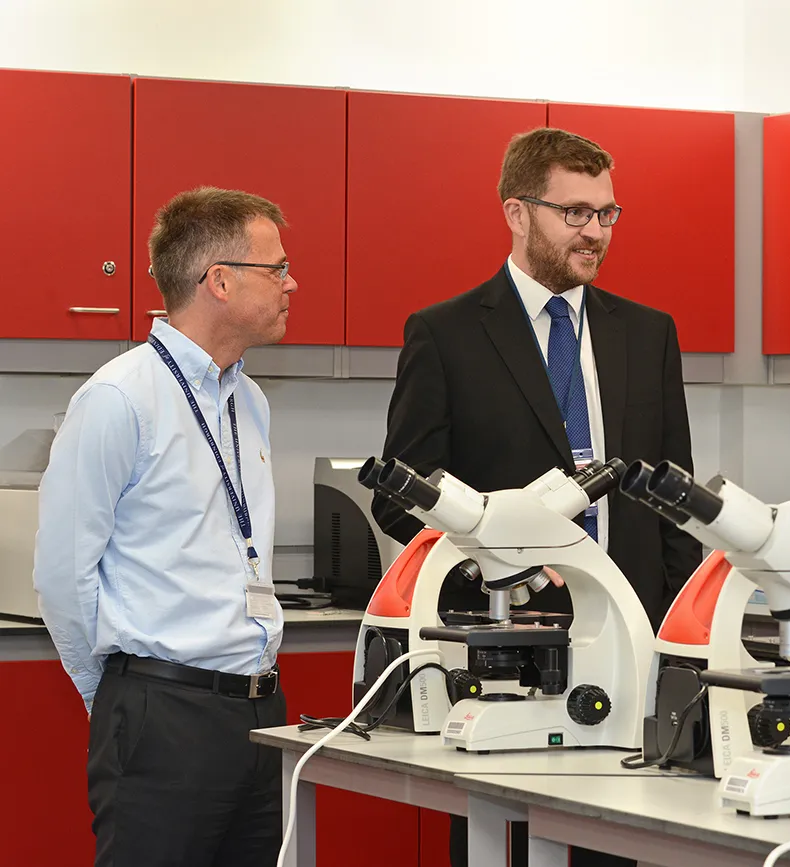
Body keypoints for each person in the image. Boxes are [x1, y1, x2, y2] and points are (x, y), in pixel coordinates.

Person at [374, 127, 702, 867]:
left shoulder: (647, 334)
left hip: (628, 649)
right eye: (575, 213)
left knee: (617, 851)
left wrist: (678, 639)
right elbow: (403, 499)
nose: (595, 232)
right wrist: (495, 548)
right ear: (517, 214)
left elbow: (670, 502)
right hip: (505, 661)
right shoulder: (446, 333)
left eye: (607, 214)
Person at [32, 187, 297, 866]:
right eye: (277, 268)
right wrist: (125, 697)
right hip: (162, 714)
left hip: (260, 709)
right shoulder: (119, 398)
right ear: (220, 280)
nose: (291, 283)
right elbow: (62, 578)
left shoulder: (251, 400)